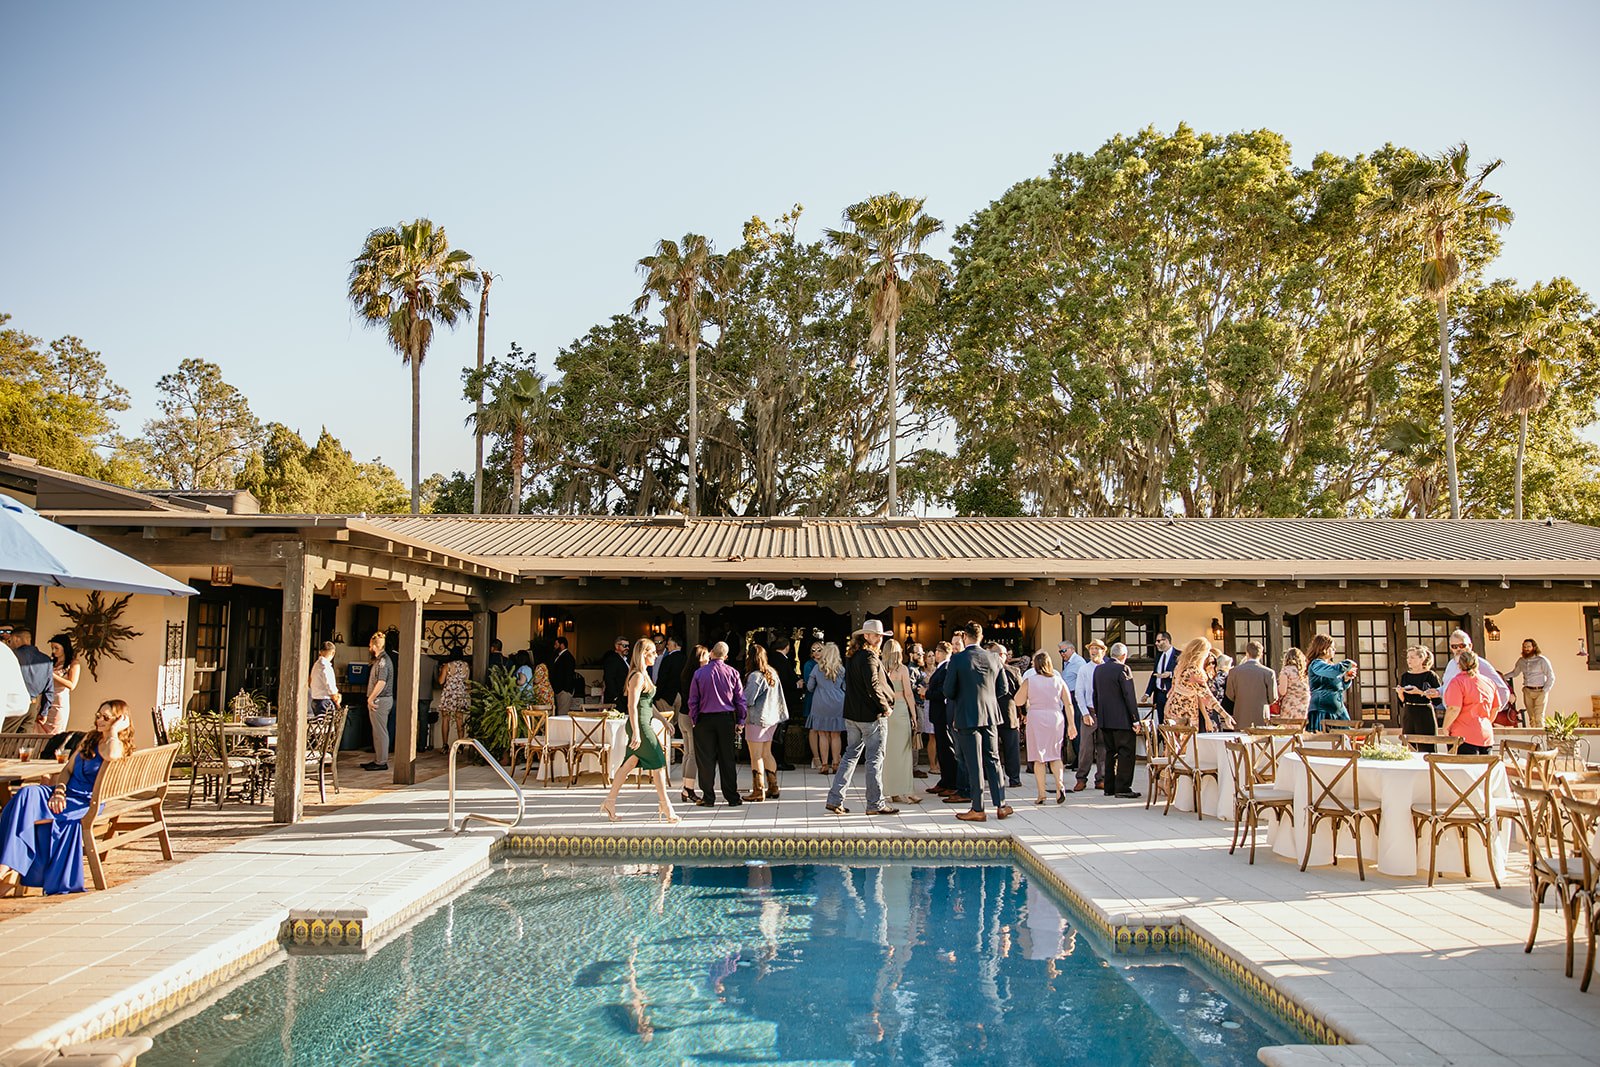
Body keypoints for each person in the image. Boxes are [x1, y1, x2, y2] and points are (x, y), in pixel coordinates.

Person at [0, 699, 133, 896]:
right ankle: (10, 868)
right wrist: (59, 791)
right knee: (25, 795)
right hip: (65, 794)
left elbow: (112, 756)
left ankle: (7, 870)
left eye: (107, 718)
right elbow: (67, 770)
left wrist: (113, 731)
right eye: (98, 716)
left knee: (21, 813)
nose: (100, 721)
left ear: (120, 721)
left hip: (84, 802)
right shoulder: (90, 739)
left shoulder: (116, 745)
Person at [598, 639, 680, 823]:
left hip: (643, 723)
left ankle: (609, 802)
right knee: (659, 763)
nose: (657, 655)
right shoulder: (637, 676)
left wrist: (663, 721)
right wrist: (635, 731)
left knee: (627, 765)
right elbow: (632, 706)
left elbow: (647, 705)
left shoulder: (643, 675)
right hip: (640, 726)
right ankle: (666, 806)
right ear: (644, 654)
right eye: (653, 653)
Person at [825, 620, 899, 817]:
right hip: (871, 716)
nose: (880, 638)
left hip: (853, 715)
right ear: (866, 636)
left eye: (881, 635)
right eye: (876, 635)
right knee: (874, 759)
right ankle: (875, 803)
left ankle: (835, 799)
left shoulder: (853, 656)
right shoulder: (868, 657)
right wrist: (885, 707)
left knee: (850, 756)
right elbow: (873, 685)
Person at [943, 621, 1010, 822]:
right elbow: (1003, 688)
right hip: (990, 714)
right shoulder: (994, 658)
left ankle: (978, 808)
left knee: (974, 763)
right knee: (993, 759)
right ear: (981, 637)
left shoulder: (958, 659)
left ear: (965, 637)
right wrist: (988, 699)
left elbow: (948, 690)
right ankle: (1001, 805)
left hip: (966, 714)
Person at [687, 642, 747, 807]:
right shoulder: (733, 673)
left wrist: (694, 719)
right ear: (726, 657)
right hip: (725, 719)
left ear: (711, 653)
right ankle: (732, 797)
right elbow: (740, 700)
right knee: (727, 759)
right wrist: (740, 721)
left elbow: (693, 700)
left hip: (705, 719)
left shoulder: (699, 673)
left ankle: (708, 796)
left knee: (705, 759)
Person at [1016, 650, 1073, 804]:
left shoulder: (1030, 681)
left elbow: (1018, 701)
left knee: (1038, 757)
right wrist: (1072, 725)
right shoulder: (1058, 680)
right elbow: (1068, 703)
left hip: (1036, 716)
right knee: (1055, 754)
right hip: (1055, 716)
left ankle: (1042, 793)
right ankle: (1059, 784)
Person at [740, 644, 788, 801]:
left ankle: (758, 790)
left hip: (756, 719)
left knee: (756, 756)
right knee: (767, 753)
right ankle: (773, 787)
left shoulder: (754, 676)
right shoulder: (772, 672)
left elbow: (748, 699)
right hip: (771, 718)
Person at [1093, 642, 1141, 798]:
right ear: (1124, 656)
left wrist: (1100, 716)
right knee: (1125, 753)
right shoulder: (1123, 669)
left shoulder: (1099, 670)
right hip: (1122, 720)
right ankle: (1122, 787)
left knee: (1110, 753)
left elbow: (1095, 696)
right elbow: (1129, 695)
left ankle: (1109, 786)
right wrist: (1135, 719)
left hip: (1105, 719)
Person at [880, 638, 921, 806]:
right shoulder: (903, 669)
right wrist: (914, 715)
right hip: (901, 710)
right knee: (904, 754)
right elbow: (909, 694)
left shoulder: (880, 668)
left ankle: (889, 792)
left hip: (887, 711)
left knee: (888, 754)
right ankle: (906, 791)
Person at [1166, 638, 1234, 732]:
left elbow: (1171, 690)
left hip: (1172, 710)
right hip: (1185, 713)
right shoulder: (1193, 671)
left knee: (1174, 745)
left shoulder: (1180, 667)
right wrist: (1225, 715)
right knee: (1187, 744)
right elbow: (1207, 696)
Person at [1438, 630, 1511, 716]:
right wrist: (1438, 691)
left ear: (1470, 645)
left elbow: (1502, 690)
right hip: (1454, 714)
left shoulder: (1481, 664)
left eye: (1462, 645)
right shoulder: (1451, 664)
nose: (1458, 649)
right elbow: (1449, 685)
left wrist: (1489, 714)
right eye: (1454, 646)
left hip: (1474, 717)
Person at [1441, 648, 1497, 755]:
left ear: (1459, 665)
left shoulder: (1457, 682)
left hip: (1463, 734)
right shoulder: (1489, 682)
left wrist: (1445, 727)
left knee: (1464, 770)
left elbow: (1454, 708)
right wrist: (1486, 722)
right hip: (1485, 734)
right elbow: (1495, 708)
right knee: (1484, 769)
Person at [1072, 639, 1107, 792]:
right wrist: (1085, 713)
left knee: (1104, 747)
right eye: (1091, 649)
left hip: (1105, 712)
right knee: (1085, 747)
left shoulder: (1107, 668)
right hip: (1090, 711)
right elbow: (1079, 692)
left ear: (1103, 651)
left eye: (1096, 649)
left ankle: (1102, 778)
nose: (1093, 652)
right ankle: (1081, 778)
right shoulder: (1084, 669)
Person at [806, 643, 846, 776]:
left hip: (820, 701)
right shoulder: (841, 669)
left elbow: (810, 687)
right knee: (836, 734)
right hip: (838, 702)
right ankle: (835, 763)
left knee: (822, 734)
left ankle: (824, 765)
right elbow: (845, 687)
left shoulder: (817, 668)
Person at [676, 645, 709, 804]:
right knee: (693, 755)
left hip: (682, 715)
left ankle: (685, 787)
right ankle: (688, 788)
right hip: (691, 716)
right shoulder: (697, 675)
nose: (708, 659)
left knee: (687, 754)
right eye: (705, 656)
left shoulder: (684, 673)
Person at [1305, 633, 1356, 732]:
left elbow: (1334, 686)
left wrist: (1345, 679)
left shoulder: (1328, 665)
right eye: (1332, 648)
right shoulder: (1316, 664)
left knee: (1343, 740)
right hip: (1323, 711)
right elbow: (1333, 671)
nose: (1334, 650)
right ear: (1323, 648)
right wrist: (1347, 664)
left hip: (1337, 711)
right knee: (1324, 742)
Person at [988, 642, 1023, 788]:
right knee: (1011, 749)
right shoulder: (1013, 671)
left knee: (994, 749)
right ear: (1002, 656)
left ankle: (997, 778)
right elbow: (1020, 694)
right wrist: (1024, 712)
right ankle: (1014, 778)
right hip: (1008, 714)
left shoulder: (988, 670)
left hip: (993, 714)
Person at [2, 629, 52, 728]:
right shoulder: (46, 659)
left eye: (10, 641)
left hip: (14, 706)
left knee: (5, 741)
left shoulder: (12, 656)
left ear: (15, 639)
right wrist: (44, 711)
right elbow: (49, 687)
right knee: (25, 742)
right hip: (33, 706)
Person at [1224, 641, 1278, 729]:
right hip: (1261, 715)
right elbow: (1273, 697)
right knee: (1261, 741)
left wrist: (1241, 700)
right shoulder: (1269, 673)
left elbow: (1230, 694)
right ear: (1261, 655)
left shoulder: (1234, 672)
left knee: (1240, 740)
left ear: (1247, 654)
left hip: (1241, 714)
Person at [765, 635, 798, 772]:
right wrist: (796, 684)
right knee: (780, 730)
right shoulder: (783, 662)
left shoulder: (771, 659)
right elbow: (785, 681)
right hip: (783, 699)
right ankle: (779, 760)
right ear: (787, 647)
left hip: (773, 700)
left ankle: (773, 758)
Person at [1396, 645, 1443, 741]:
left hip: (1425, 712)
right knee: (1408, 745)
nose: (1409, 660)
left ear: (1422, 659)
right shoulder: (1405, 676)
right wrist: (1400, 693)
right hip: (1409, 712)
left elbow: (1438, 699)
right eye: (1408, 657)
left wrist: (1420, 692)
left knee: (1427, 744)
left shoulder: (1430, 675)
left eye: (1412, 657)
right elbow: (1402, 701)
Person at [1508, 638, 1555, 728]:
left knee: (1539, 717)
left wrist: (1545, 690)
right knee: (1532, 717)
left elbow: (1551, 676)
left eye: (1529, 647)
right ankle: (1534, 738)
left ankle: (1541, 738)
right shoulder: (1521, 661)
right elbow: (1515, 673)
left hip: (1540, 690)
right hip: (1528, 691)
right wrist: (1500, 676)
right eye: (1525, 647)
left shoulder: (1542, 660)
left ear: (1534, 647)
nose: (1526, 649)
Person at [363, 632, 394, 771]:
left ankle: (381, 761)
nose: (369, 648)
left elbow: (381, 681)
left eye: (370, 645)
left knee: (380, 732)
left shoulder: (382, 662)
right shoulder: (382, 660)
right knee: (378, 732)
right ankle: (378, 759)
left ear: (374, 646)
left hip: (380, 700)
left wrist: (371, 697)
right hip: (381, 699)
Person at [433, 646, 471, 752]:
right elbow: (467, 682)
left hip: (449, 693)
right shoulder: (466, 666)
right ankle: (461, 744)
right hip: (460, 693)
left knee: (446, 719)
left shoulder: (447, 665)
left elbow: (441, 681)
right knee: (460, 719)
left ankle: (445, 745)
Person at [43, 633, 79, 735]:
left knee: (55, 734)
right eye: (52, 648)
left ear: (64, 648)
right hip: (46, 701)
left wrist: (52, 675)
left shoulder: (73, 663)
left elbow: (71, 685)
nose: (53, 651)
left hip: (59, 703)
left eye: (56, 648)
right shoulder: (51, 663)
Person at [1144, 631, 1177, 724]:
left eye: (1158, 641)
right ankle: (1162, 738)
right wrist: (1147, 693)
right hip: (1160, 694)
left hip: (1171, 693)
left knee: (1171, 721)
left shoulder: (1178, 655)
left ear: (1166, 641)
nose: (1156, 644)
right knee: (1161, 721)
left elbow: (1183, 673)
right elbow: (1154, 675)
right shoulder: (1159, 656)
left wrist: (1170, 674)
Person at [308, 641, 342, 720]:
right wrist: (336, 698)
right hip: (324, 701)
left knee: (320, 726)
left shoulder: (316, 665)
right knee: (327, 728)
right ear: (333, 653)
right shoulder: (326, 666)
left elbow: (310, 682)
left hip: (315, 700)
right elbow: (330, 687)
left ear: (320, 652)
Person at [1277, 648, 1310, 721]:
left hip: (1290, 705)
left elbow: (1283, 691)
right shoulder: (1303, 673)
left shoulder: (1286, 670)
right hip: (1303, 706)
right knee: (1299, 729)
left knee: (1288, 729)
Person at [549, 636, 579, 714]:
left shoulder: (567, 657)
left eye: (556, 644)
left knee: (562, 712)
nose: (554, 646)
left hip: (563, 690)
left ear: (562, 645)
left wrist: (566, 689)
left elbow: (568, 673)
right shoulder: (558, 656)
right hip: (558, 689)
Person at [603, 636, 631, 714]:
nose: (627, 648)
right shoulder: (612, 659)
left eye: (628, 646)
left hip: (624, 697)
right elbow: (609, 678)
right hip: (616, 698)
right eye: (624, 646)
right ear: (617, 646)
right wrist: (615, 697)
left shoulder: (625, 660)